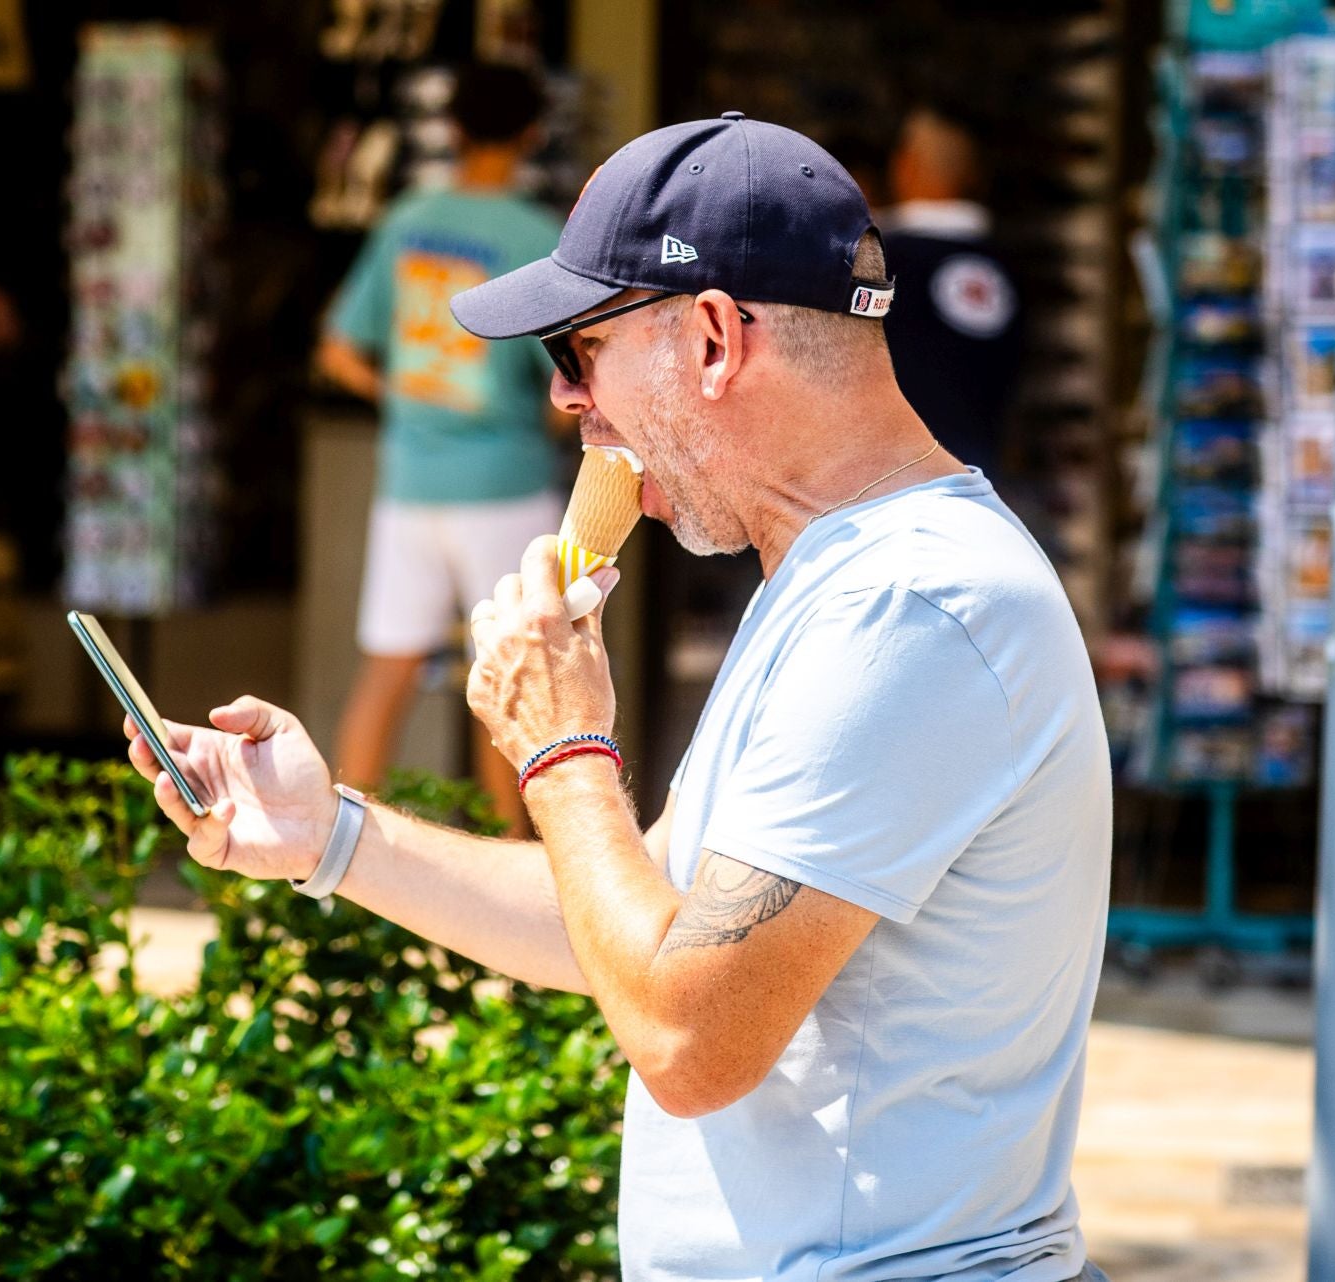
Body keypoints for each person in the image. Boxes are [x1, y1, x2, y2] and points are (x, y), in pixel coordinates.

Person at [126, 114, 1111, 1282]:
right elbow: (651, 925)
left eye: (578, 351)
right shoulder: (843, 578)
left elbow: (689, 1035)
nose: (562, 401)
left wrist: (564, 750)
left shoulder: (909, 606)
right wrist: (331, 833)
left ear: (708, 341)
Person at [317, 62, 568, 836]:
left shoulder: (406, 219)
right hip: (507, 483)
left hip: (411, 484)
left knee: (384, 677)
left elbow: (337, 349)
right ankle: (508, 871)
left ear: (451, 131)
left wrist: (402, 398)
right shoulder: (536, 237)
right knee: (512, 685)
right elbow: (568, 384)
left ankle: (329, 869)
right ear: (533, 134)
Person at [878, 103, 1025, 486]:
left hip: (885, 489)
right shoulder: (1008, 268)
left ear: (905, 166)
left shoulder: (877, 261)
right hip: (981, 485)